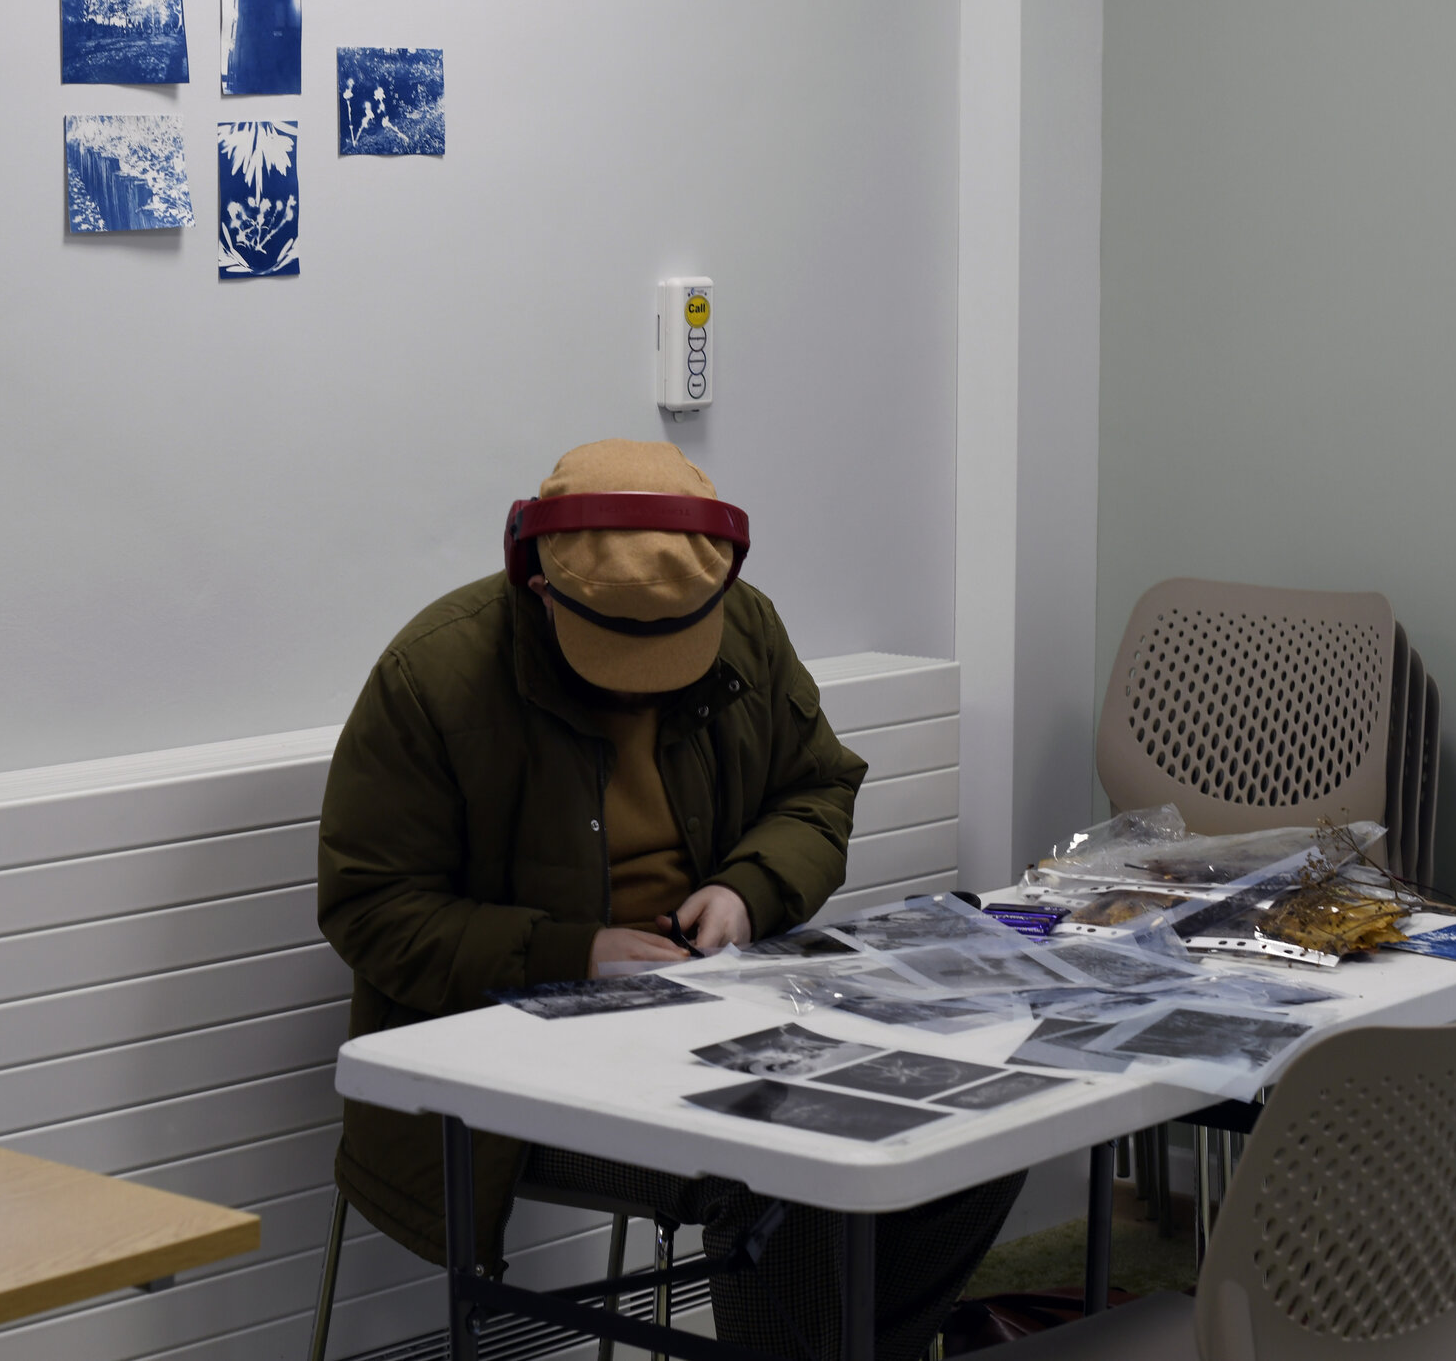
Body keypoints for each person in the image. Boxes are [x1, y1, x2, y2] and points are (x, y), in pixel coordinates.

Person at [316, 439, 1022, 1360]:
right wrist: (578, 953)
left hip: (719, 998)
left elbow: (815, 790)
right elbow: (369, 909)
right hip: (509, 1060)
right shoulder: (434, 675)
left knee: (977, 1121)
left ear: (719, 586)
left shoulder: (747, 627)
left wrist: (746, 889)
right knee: (784, 1173)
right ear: (539, 586)